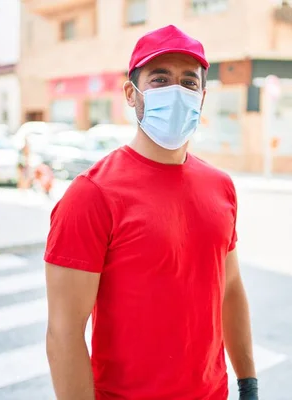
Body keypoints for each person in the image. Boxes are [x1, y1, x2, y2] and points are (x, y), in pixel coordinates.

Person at [44, 25, 258, 400]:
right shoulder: (91, 195)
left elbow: (231, 290)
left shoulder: (220, 186)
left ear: (202, 97)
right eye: (160, 80)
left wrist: (248, 383)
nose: (176, 92)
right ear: (132, 93)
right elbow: (64, 332)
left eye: (188, 83)